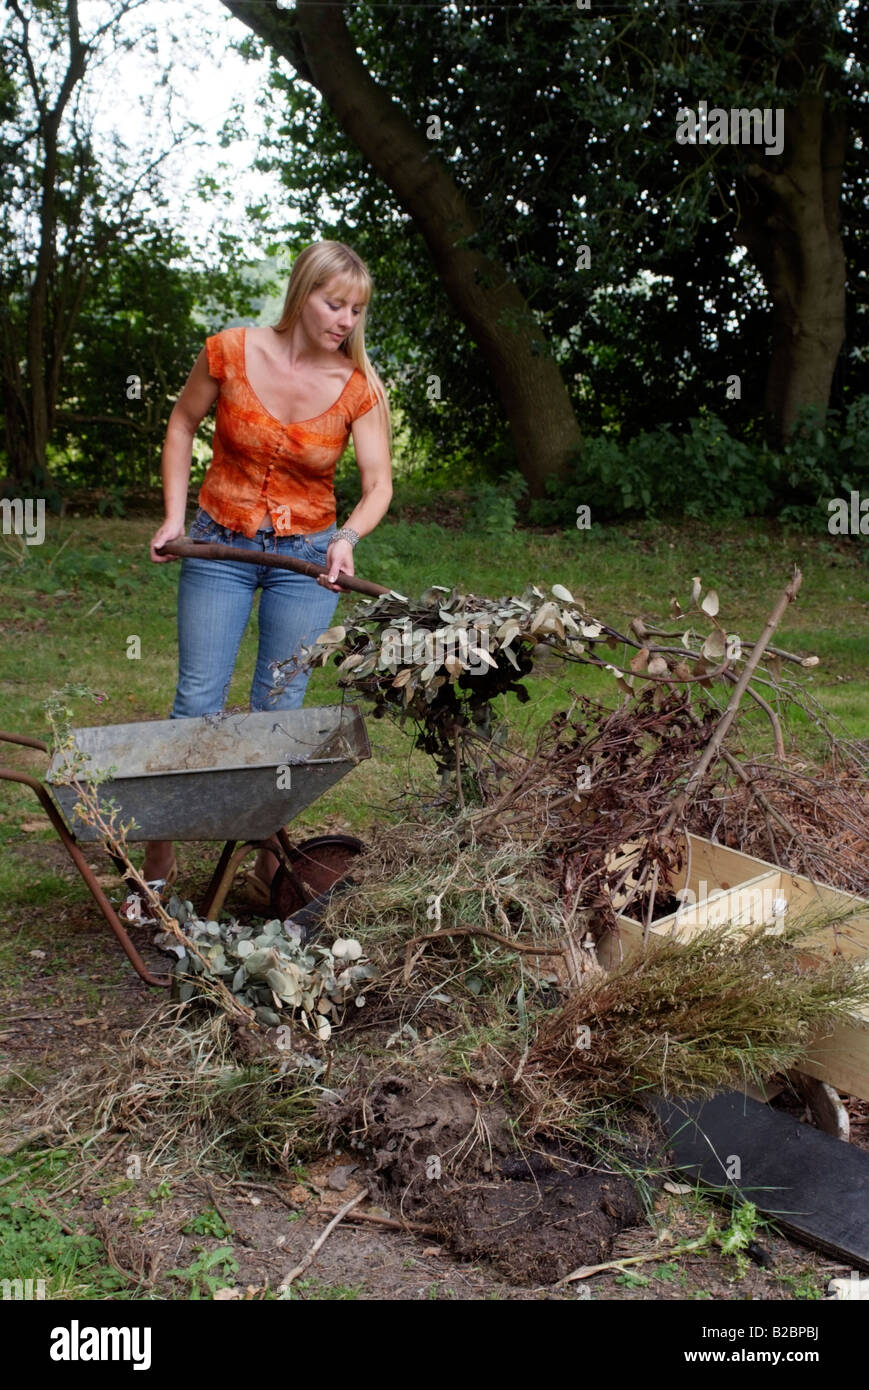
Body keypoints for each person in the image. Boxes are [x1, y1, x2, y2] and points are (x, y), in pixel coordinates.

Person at [127, 240, 392, 915]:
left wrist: (347, 539)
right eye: (334, 304)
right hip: (220, 544)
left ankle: (268, 861)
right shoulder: (230, 352)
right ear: (302, 293)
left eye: (355, 310)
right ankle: (158, 854)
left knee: (279, 710)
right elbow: (183, 424)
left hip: (305, 562)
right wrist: (171, 518)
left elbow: (377, 484)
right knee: (197, 703)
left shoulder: (357, 389)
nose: (344, 320)